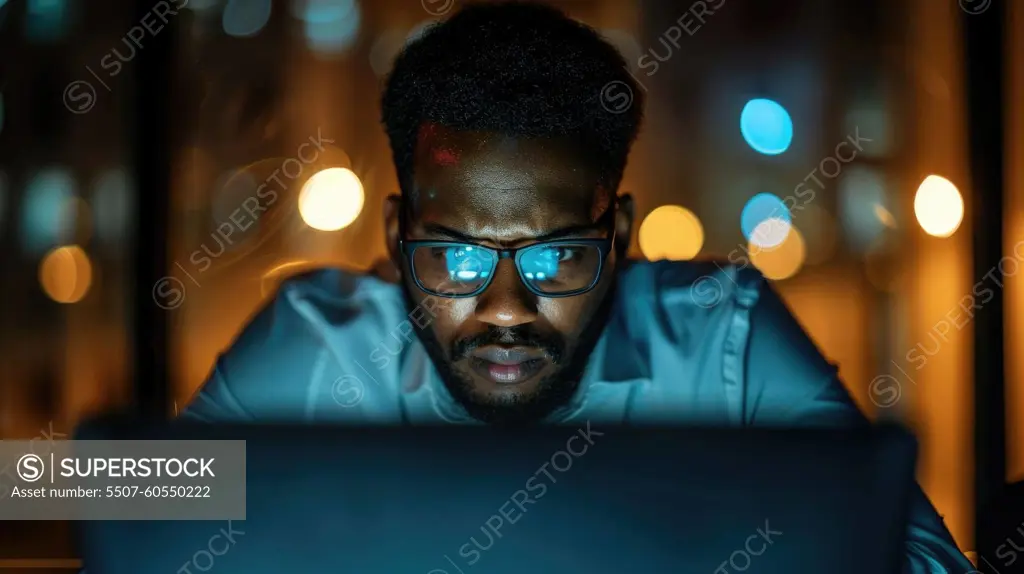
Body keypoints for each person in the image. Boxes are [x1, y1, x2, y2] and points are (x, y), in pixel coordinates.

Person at [182, 2, 973, 571]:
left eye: (556, 258)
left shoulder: (723, 343)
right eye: (456, 258)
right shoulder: (317, 344)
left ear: (618, 236)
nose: (502, 309)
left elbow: (920, 559)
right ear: (396, 237)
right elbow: (126, 508)